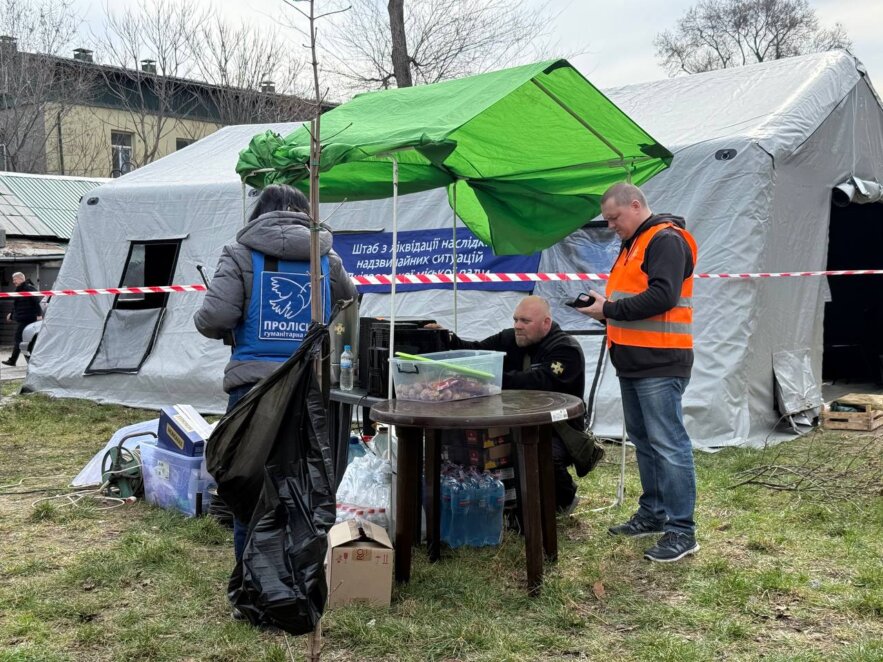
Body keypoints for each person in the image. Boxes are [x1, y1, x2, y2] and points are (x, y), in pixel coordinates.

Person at [194, 184, 356, 571]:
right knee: (303, 486)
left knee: (249, 487)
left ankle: (254, 584)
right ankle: (297, 580)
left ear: (259, 214)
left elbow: (213, 319)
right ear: (306, 214)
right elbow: (349, 302)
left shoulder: (239, 254)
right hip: (309, 388)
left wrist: (230, 328)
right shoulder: (326, 259)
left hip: (254, 391)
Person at [576, 182, 699, 563]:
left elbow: (663, 296)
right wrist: (605, 309)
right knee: (646, 443)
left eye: (614, 218)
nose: (611, 225)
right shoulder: (634, 244)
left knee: (669, 445)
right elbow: (634, 299)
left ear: (635, 205)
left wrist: (608, 310)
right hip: (635, 361)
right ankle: (654, 514)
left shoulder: (665, 240)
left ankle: (682, 531)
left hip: (661, 361)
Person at [441, 295, 600, 515]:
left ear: (546, 323)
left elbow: (536, 384)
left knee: (539, 451)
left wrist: (489, 379)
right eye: (516, 319)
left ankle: (564, 497)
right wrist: (444, 337)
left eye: (525, 321)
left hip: (557, 430)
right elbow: (475, 351)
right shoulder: (510, 338)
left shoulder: (565, 350)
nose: (517, 326)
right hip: (514, 420)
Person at [3, 272, 42, 366]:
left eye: (15, 279)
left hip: (28, 319)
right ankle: (28, 360)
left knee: (19, 339)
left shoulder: (28, 288)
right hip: (23, 318)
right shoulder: (19, 290)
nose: (13, 282)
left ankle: (13, 360)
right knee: (23, 340)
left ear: (21, 279)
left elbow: (37, 302)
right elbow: (17, 305)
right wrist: (11, 315)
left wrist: (39, 314)